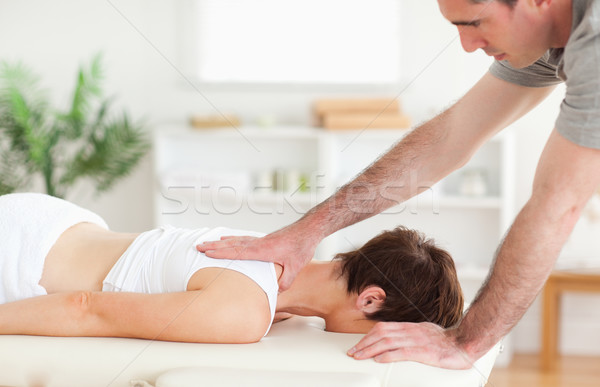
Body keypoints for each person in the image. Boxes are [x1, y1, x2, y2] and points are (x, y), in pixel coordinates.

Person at [196, 0, 600, 368]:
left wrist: (465, 342)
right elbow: (448, 139)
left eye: (475, 22)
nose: (467, 44)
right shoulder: (542, 37)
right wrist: (305, 232)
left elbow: (558, 204)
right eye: (457, 26)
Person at [0, 192, 463, 343]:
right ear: (370, 299)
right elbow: (87, 309)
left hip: (52, 219)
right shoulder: (244, 313)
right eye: (391, 331)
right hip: (18, 257)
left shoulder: (269, 253)